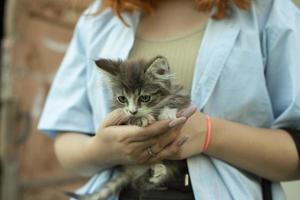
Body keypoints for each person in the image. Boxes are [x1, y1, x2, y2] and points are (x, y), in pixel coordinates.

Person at [38, 0, 300, 199]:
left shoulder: (268, 10)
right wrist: (103, 150)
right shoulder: (100, 17)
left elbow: (295, 156)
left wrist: (211, 134)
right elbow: (67, 142)